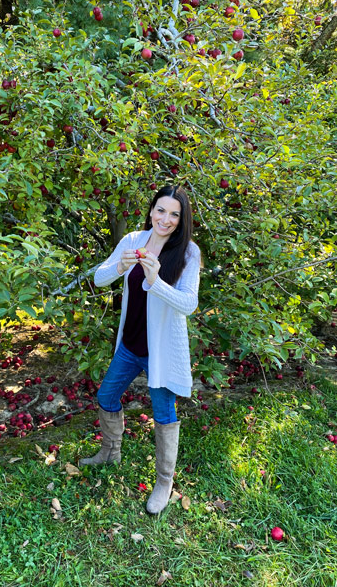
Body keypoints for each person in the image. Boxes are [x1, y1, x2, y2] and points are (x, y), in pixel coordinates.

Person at [79, 184, 201, 515]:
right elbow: (100, 277)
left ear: (182, 219)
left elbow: (189, 304)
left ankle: (164, 482)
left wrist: (156, 281)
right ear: (151, 211)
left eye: (175, 214)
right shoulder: (134, 240)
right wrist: (120, 266)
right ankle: (110, 451)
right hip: (130, 345)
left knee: (164, 413)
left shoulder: (188, 253)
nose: (166, 219)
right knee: (106, 396)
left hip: (161, 352)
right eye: (161, 210)